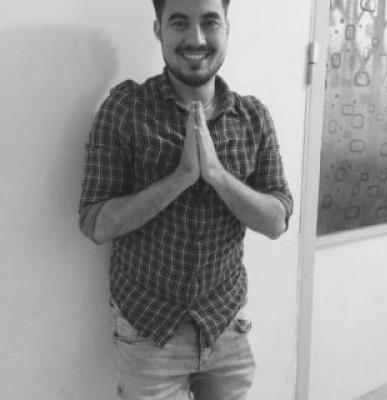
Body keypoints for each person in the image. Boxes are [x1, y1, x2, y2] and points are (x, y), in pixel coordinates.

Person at [79, 0, 293, 399]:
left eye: (210, 22)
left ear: (227, 28)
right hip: (148, 329)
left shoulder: (253, 117)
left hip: (228, 323)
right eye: (179, 22)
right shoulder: (125, 109)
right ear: (158, 29)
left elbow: (277, 220)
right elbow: (96, 223)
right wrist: (180, 178)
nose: (196, 38)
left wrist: (218, 176)